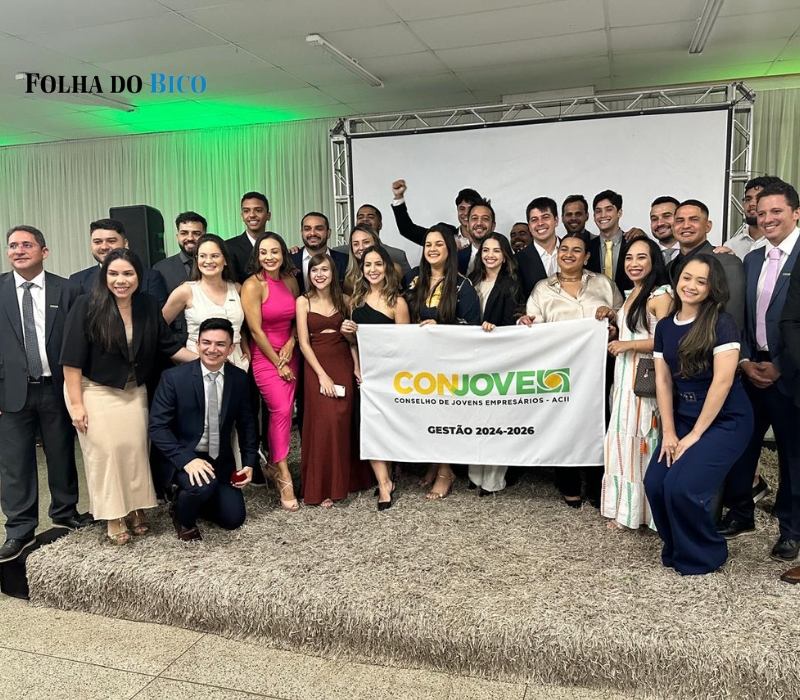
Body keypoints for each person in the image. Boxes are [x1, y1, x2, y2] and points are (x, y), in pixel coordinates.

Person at [60, 248, 195, 545]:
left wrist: (207, 361)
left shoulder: (147, 304)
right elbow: (71, 361)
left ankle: (135, 507)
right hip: (92, 390)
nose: (121, 280)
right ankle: (113, 514)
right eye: (113, 274)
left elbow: (169, 347)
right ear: (104, 276)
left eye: (128, 273)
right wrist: (77, 405)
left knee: (134, 452)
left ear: (138, 276)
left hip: (134, 391)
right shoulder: (86, 305)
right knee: (106, 454)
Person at [644, 255, 753, 575]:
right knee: (655, 483)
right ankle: (677, 547)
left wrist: (694, 435)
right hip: (683, 417)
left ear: (711, 288)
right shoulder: (665, 326)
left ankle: (706, 553)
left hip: (726, 420)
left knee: (683, 487)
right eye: (687, 277)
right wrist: (669, 432)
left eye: (701, 281)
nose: (691, 285)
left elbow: (723, 382)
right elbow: (663, 381)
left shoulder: (721, 322)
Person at [718, 181, 800, 563]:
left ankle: (792, 531)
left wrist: (781, 367)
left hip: (792, 373)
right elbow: (743, 317)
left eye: (776, 211)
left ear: (796, 213)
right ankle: (741, 513)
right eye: (762, 212)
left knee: (792, 456)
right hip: (751, 369)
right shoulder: (751, 259)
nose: (767, 219)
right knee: (741, 446)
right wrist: (747, 360)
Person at [0, 226, 92, 563]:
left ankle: (65, 511)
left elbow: (80, 340)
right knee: (15, 464)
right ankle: (19, 529)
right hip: (10, 392)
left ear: (44, 251)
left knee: (62, 453)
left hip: (56, 387)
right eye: (13, 246)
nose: (19, 250)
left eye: (27, 244)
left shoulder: (67, 289)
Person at [520, 233, 624, 506]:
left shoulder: (603, 283)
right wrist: (525, 324)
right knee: (562, 422)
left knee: (600, 421)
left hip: (598, 368)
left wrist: (613, 324)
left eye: (576, 250)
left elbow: (622, 317)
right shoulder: (542, 288)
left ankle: (597, 483)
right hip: (560, 370)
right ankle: (568, 482)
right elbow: (534, 327)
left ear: (586, 257)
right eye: (564, 249)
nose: (569, 254)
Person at [149, 318, 257, 541]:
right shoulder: (174, 378)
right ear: (197, 345)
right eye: (206, 342)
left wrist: (248, 463)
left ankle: (202, 495)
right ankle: (181, 511)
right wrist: (187, 460)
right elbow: (157, 427)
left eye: (220, 344)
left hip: (220, 459)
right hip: (185, 455)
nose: (212, 349)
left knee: (233, 519)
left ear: (231, 348)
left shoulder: (238, 379)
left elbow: (246, 423)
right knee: (201, 487)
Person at [601, 238, 673, 530]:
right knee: (622, 440)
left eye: (641, 257)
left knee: (642, 442)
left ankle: (645, 513)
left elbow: (667, 339)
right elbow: (631, 331)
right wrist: (614, 329)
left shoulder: (661, 295)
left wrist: (627, 345)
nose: (633, 263)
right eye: (629, 257)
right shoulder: (632, 293)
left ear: (654, 261)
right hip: (623, 379)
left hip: (645, 380)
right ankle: (624, 510)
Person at [407, 224, 481, 499]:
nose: (433, 249)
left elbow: (473, 328)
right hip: (418, 361)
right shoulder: (413, 280)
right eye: (428, 244)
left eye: (439, 244)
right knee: (424, 414)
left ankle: (445, 471)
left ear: (449, 249)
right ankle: (433, 463)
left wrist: (439, 327)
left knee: (443, 416)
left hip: (449, 363)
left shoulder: (462, 286)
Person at [296, 254, 372, 507]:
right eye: (314, 270)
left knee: (342, 421)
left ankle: (347, 480)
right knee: (323, 423)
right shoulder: (303, 301)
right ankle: (323, 487)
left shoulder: (346, 300)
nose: (319, 274)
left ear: (333, 273)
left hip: (342, 362)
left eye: (324, 269)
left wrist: (357, 367)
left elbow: (352, 341)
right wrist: (322, 375)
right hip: (316, 365)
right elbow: (304, 344)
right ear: (309, 274)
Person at [343, 244, 411, 509]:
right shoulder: (356, 301)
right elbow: (354, 342)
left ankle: (389, 476)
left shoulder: (398, 303)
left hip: (391, 376)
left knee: (387, 427)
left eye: (378, 264)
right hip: (367, 376)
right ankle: (383, 483)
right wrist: (356, 366)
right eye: (368, 265)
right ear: (362, 269)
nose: (373, 269)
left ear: (387, 268)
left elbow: (406, 345)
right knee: (368, 428)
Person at [241, 232, 301, 511]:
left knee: (288, 412)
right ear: (257, 256)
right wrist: (279, 362)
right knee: (280, 411)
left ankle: (275, 465)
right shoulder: (252, 285)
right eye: (263, 252)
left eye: (274, 251)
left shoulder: (290, 281)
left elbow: (297, 318)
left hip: (290, 352)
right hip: (266, 357)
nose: (269, 257)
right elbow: (255, 331)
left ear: (283, 253)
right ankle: (284, 476)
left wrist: (291, 343)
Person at [466, 232, 522, 495]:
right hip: (472, 358)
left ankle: (494, 479)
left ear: (505, 256)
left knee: (497, 419)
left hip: (499, 359)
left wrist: (496, 329)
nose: (490, 255)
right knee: (474, 417)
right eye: (485, 250)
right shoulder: (470, 281)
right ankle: (475, 473)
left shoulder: (512, 284)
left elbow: (513, 322)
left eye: (496, 250)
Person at [162, 234, 249, 371]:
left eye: (214, 256)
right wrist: (181, 354)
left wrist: (246, 350)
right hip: (198, 362)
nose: (208, 261)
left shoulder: (237, 289)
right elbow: (159, 329)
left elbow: (242, 326)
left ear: (225, 260)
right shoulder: (186, 291)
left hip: (236, 362)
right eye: (202, 256)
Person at [667, 200, 745, 330]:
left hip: (714, 340)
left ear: (708, 226)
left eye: (694, 219)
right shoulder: (669, 267)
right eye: (679, 221)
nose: (686, 225)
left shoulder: (726, 262)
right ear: (673, 227)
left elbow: (734, 316)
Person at [69, 218, 167, 307]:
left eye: (111, 241)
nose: (104, 247)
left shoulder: (150, 277)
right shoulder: (77, 280)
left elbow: (157, 316)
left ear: (125, 243)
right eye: (97, 242)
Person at [154, 211, 207, 345]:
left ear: (205, 236)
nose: (190, 238)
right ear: (177, 236)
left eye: (196, 233)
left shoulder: (215, 265)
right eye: (184, 233)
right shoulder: (161, 269)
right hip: (177, 343)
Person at [391, 179, 481, 251]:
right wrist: (399, 197)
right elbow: (408, 230)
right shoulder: (444, 234)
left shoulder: (487, 237)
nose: (465, 213)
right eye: (461, 209)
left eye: (470, 209)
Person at [332, 204, 411, 276]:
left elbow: (408, 283)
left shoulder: (397, 255)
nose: (365, 219)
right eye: (361, 217)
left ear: (380, 225)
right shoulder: (340, 253)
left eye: (370, 217)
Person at [727, 176, 784, 261]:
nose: (751, 203)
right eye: (748, 199)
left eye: (758, 198)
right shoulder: (731, 245)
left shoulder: (783, 241)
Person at [289, 212, 348, 294]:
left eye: (319, 229)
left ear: (328, 233)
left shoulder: (345, 260)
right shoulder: (289, 260)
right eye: (307, 229)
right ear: (302, 233)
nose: (312, 233)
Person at [590, 190, 636, 293]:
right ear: (594, 216)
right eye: (598, 211)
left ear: (619, 213)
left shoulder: (632, 243)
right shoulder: (588, 247)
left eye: (608, 209)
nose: (603, 215)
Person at [342, 223, 403, 296]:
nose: (361, 247)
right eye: (356, 244)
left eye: (366, 242)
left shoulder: (395, 269)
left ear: (376, 242)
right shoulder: (350, 278)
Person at [228, 192, 271, 285]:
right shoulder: (228, 247)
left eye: (258, 210)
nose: (252, 215)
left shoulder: (277, 245)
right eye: (246, 211)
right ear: (242, 216)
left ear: (268, 215)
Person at [649, 196, 681, 266]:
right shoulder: (647, 255)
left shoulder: (696, 252)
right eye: (654, 219)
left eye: (666, 216)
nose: (660, 223)